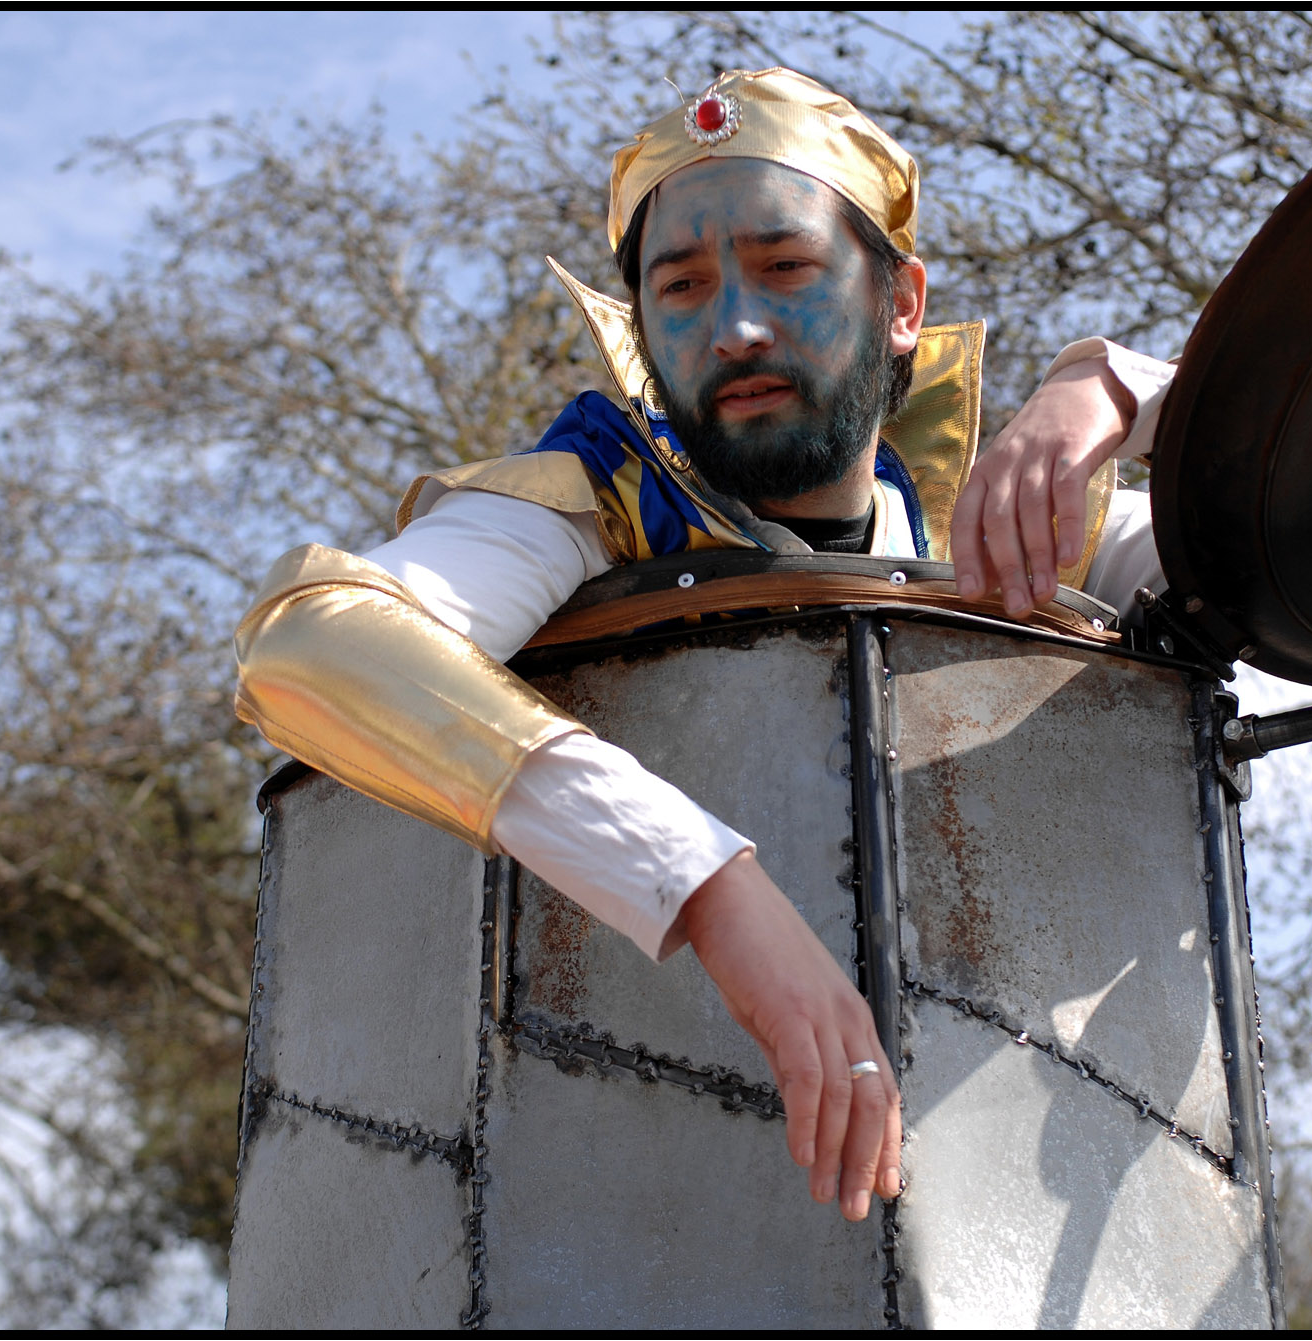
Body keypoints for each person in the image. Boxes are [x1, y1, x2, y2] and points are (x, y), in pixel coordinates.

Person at [234, 68, 1187, 1226]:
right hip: (629, 1209)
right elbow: (309, 646)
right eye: (679, 288)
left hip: (1013, 1196)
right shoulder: (590, 498)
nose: (733, 326)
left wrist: (1116, 392)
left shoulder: (1012, 522)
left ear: (899, 303)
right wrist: (708, 885)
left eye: (785, 268)